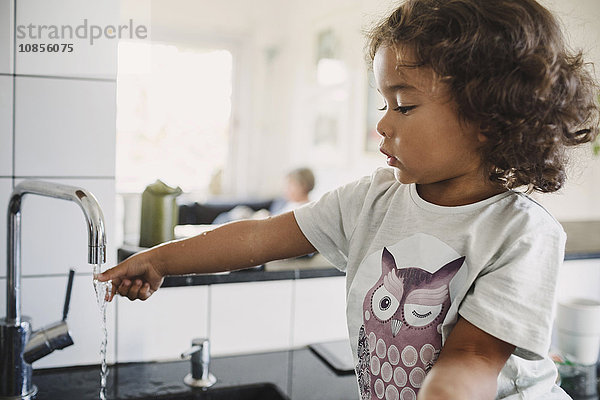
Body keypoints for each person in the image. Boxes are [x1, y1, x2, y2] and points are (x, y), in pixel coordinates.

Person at [98, 0, 599, 398]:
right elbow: (258, 236)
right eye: (383, 103)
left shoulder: (520, 234)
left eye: (404, 105)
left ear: (489, 117)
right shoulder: (374, 198)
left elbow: (472, 360)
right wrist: (162, 259)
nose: (381, 123)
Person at [211, 167, 316, 223]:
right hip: (261, 222)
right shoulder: (286, 202)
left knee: (229, 220)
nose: (285, 189)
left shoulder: (305, 210)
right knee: (235, 214)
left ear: (302, 185)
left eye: (290, 185)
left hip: (264, 229)